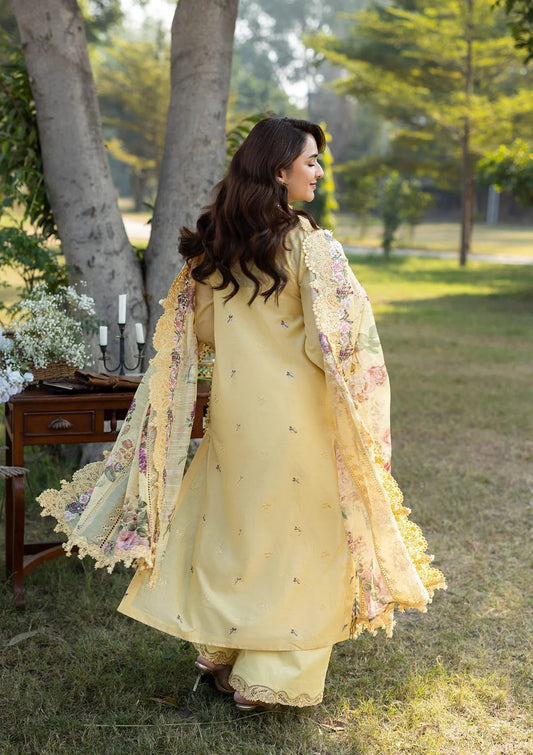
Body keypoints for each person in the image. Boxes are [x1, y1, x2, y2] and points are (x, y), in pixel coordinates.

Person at [39, 116, 445, 711]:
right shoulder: (309, 244)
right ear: (279, 171)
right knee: (305, 547)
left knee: (241, 535)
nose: (319, 171)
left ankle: (225, 655)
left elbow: (200, 330)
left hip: (235, 422)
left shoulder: (217, 245)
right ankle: (269, 680)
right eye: (311, 161)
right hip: (300, 423)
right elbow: (338, 343)